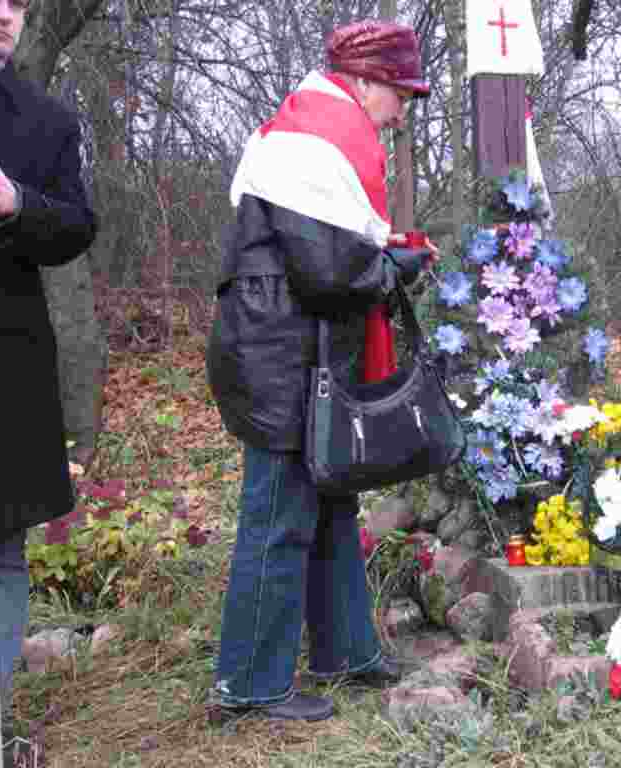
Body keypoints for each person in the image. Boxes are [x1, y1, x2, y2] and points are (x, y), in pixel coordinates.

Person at [206, 20, 436, 721]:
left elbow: (325, 255)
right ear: (366, 80)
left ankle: (347, 649)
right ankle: (249, 685)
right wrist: (391, 265)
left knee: (333, 502)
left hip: (296, 354)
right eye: (400, 90)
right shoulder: (315, 140)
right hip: (280, 361)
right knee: (277, 518)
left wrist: (383, 264)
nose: (404, 107)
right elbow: (330, 268)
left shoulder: (315, 130)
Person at [0, 0, 98, 749]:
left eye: (18, 1)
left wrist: (15, 204)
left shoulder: (45, 120)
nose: (3, 13)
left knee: (3, 544)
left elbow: (77, 226)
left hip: (5, 362)